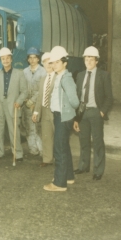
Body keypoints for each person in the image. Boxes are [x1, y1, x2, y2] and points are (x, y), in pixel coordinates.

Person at [73, 46, 113, 180]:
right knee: (83, 141)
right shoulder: (79, 75)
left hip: (96, 112)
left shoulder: (104, 75)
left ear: (97, 61)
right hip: (82, 113)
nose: (88, 61)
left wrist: (102, 112)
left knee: (97, 142)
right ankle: (83, 166)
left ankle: (98, 170)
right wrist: (76, 117)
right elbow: (77, 96)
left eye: (91, 59)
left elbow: (109, 97)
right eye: (86, 58)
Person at [43, 46, 79, 192]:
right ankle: (68, 176)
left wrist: (66, 109)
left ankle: (59, 183)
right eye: (53, 62)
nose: (54, 64)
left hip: (63, 117)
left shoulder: (66, 79)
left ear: (65, 62)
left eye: (58, 62)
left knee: (59, 149)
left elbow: (75, 101)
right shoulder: (59, 76)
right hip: (60, 116)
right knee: (64, 147)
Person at [0, 47, 27, 162]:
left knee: (14, 130)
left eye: (7, 58)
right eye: (3, 59)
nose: (5, 61)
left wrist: (19, 101)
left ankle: (18, 153)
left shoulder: (19, 73)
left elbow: (24, 91)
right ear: (0, 60)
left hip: (13, 105)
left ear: (11, 59)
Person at [21, 47, 47, 157]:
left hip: (38, 104)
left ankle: (42, 150)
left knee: (38, 127)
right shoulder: (24, 72)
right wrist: (26, 100)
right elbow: (22, 88)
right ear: (28, 59)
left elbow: (42, 89)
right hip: (27, 104)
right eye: (30, 58)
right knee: (29, 127)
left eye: (34, 57)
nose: (32, 60)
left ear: (38, 59)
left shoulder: (43, 71)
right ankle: (33, 149)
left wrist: (33, 100)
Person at [32, 52, 56, 167]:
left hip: (56, 111)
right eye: (45, 62)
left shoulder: (58, 77)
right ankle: (47, 159)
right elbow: (40, 97)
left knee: (58, 136)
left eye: (50, 62)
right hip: (45, 110)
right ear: (43, 64)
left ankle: (60, 158)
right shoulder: (43, 79)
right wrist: (36, 112)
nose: (48, 64)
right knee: (46, 136)